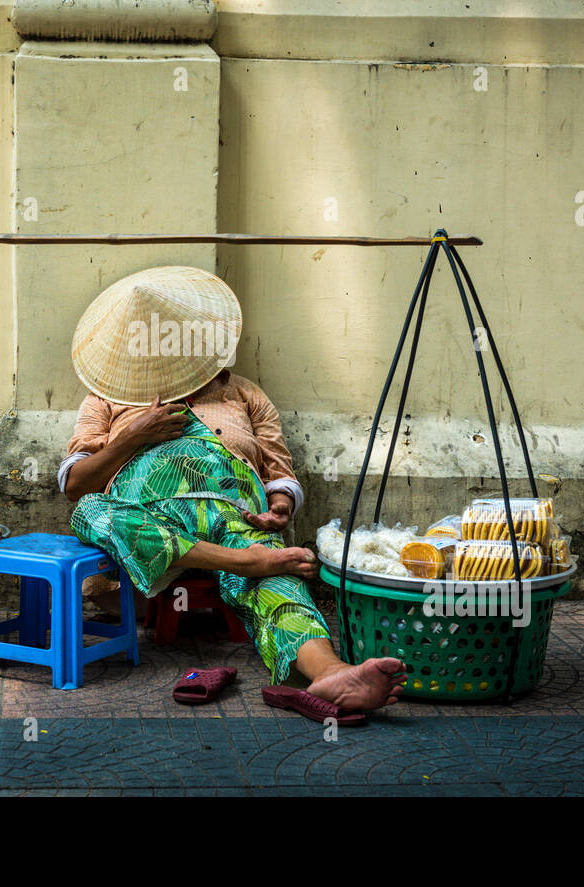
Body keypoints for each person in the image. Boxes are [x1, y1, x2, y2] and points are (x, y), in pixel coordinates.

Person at [57, 265, 405, 714]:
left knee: (275, 577)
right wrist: (134, 434)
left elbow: (280, 472)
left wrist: (279, 507)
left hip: (234, 513)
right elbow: (74, 483)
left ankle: (330, 673)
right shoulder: (108, 398)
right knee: (90, 511)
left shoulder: (243, 393)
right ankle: (245, 563)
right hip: (145, 515)